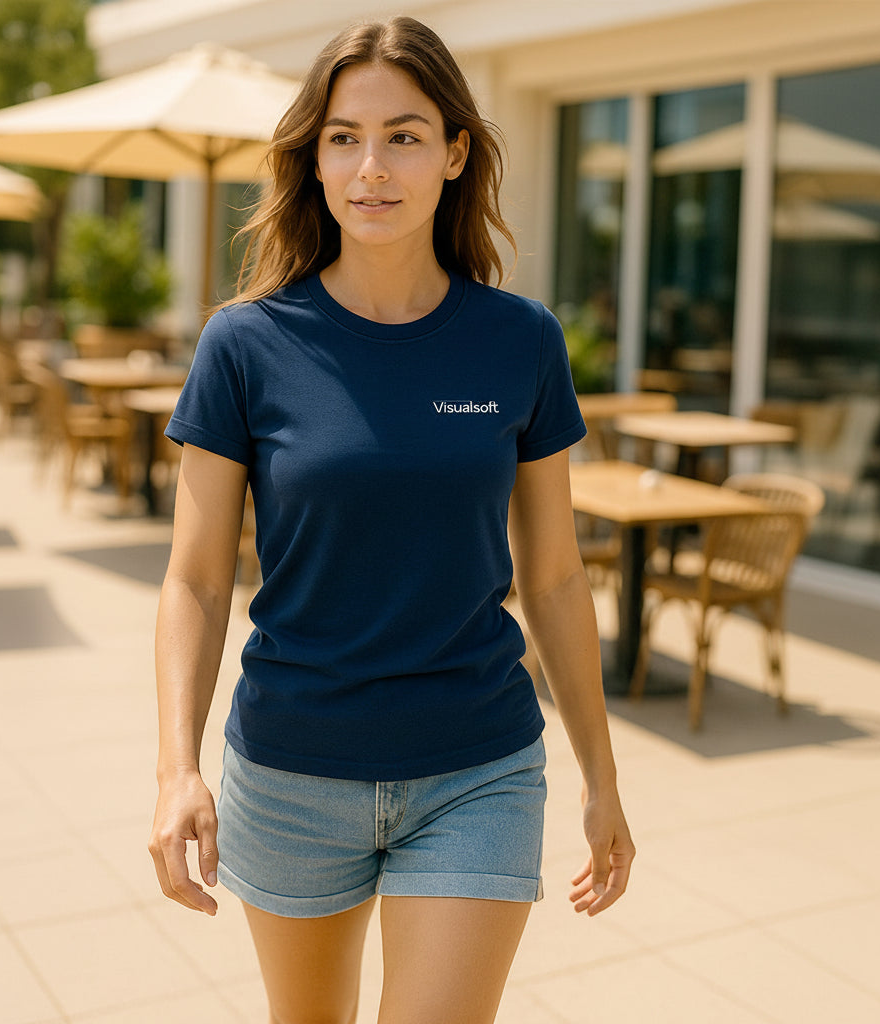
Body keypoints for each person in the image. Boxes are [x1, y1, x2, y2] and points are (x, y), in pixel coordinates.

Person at [149, 15, 634, 1024]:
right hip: (292, 768)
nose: (371, 167)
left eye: (404, 136)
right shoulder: (243, 345)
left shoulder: (520, 341)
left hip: (477, 767)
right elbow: (194, 577)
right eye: (344, 137)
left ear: (454, 153)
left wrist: (601, 776)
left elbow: (553, 576)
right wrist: (176, 770)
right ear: (315, 158)